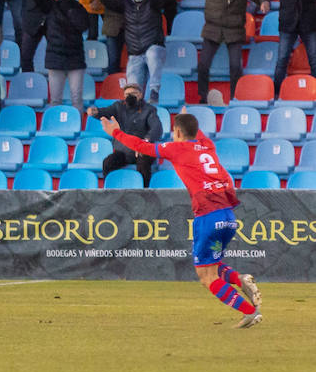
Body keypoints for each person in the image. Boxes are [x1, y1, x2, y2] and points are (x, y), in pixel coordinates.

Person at [101, 112, 261, 328]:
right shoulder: (208, 146)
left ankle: (250, 312)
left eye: (174, 132)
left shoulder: (177, 149)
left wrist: (116, 133)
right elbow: (194, 132)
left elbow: (142, 146)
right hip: (228, 216)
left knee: (206, 277)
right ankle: (239, 279)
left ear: (177, 132)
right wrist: (186, 118)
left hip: (207, 216)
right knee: (210, 265)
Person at [188, 0, 269, 104]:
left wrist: (264, 1)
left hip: (234, 29)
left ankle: (234, 97)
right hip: (213, 27)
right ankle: (202, 96)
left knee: (235, 66)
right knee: (203, 64)